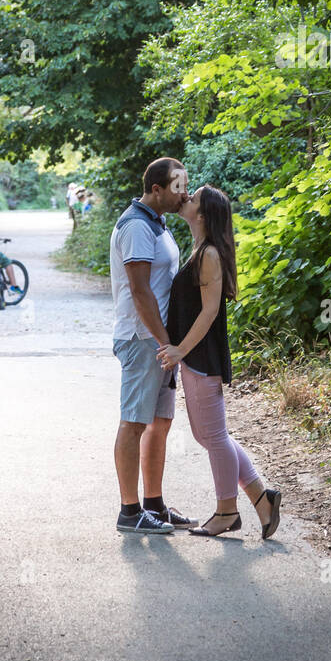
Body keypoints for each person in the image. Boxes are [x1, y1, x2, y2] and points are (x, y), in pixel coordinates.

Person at [159, 184, 281, 540]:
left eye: (192, 198)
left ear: (203, 213)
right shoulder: (201, 250)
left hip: (201, 356)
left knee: (213, 436)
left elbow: (210, 311)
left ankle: (227, 510)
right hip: (196, 358)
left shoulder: (208, 253)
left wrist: (180, 349)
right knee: (209, 435)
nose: (186, 199)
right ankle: (262, 499)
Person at [110, 157, 198, 536]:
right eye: (177, 187)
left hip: (160, 342)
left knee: (159, 424)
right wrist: (166, 343)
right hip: (143, 340)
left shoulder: (156, 223)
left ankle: (154, 505)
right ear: (157, 189)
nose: (184, 193)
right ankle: (129, 513)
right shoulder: (135, 226)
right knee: (134, 423)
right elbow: (140, 291)